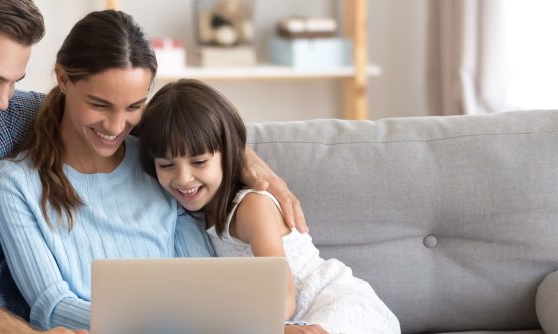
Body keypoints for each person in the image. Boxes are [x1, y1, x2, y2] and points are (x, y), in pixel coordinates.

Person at [0, 0, 304, 332]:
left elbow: (120, 113)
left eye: (14, 80)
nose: (3, 99)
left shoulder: (1, 114)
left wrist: (244, 159)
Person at [0, 10, 314, 332]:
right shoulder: (17, 183)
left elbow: (203, 280)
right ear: (62, 78)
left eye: (133, 107)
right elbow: (53, 306)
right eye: (99, 104)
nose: (115, 127)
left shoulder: (159, 163)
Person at [136, 79, 401, 334]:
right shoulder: (194, 215)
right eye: (166, 165)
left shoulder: (252, 206)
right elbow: (127, 123)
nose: (183, 178)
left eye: (199, 162)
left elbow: (282, 293)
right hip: (291, 321)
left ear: (229, 155)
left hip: (335, 303)